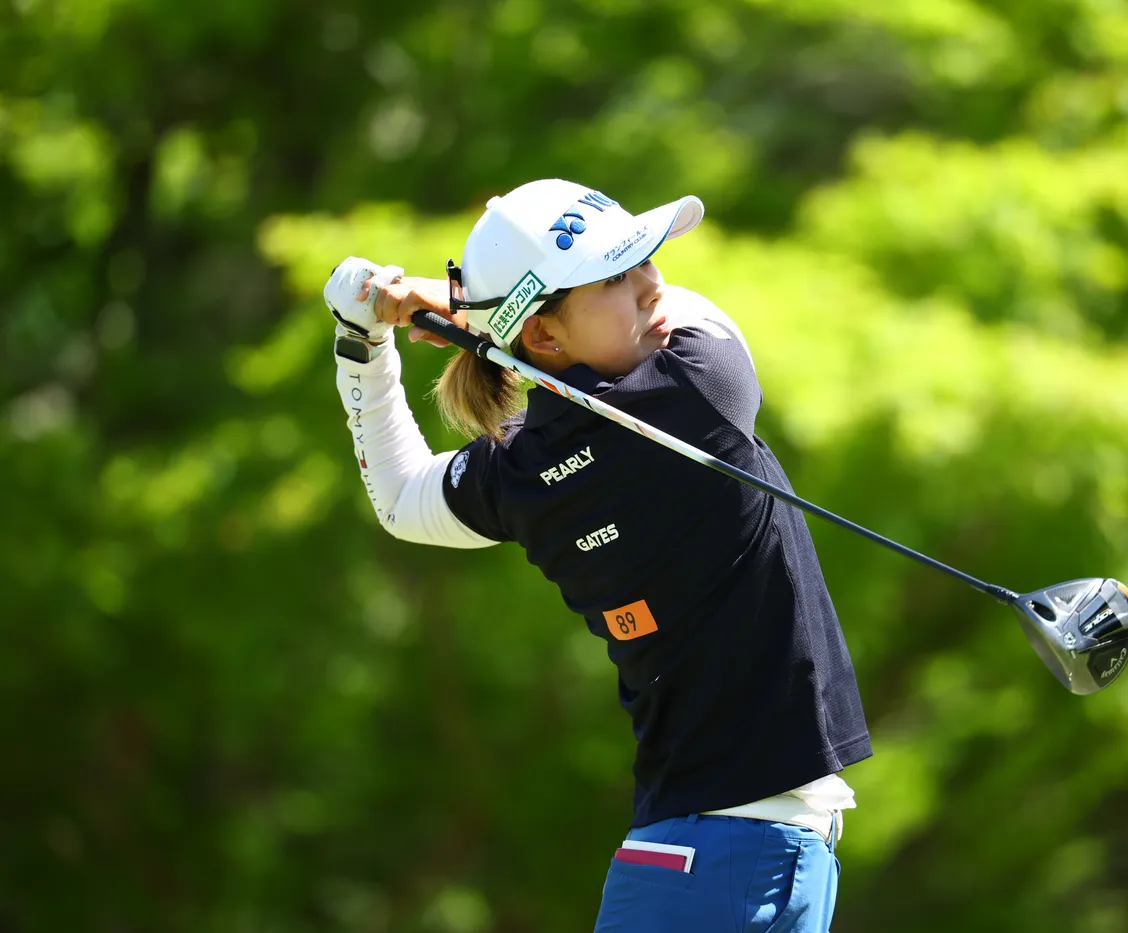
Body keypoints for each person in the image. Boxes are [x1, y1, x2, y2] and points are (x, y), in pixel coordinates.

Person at [323, 179, 872, 932]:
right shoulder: (697, 393)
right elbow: (700, 312)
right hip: (736, 864)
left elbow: (398, 497)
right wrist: (465, 311)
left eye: (643, 259)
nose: (652, 283)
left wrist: (363, 342)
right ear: (545, 337)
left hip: (697, 857)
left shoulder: (520, 470)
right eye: (614, 277)